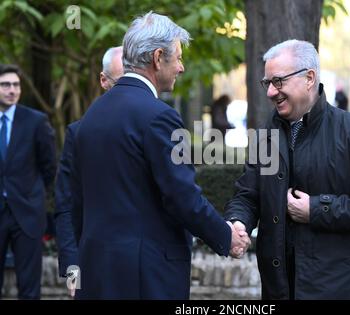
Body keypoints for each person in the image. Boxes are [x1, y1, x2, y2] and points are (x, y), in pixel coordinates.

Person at [70, 11, 250, 299]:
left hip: (97, 272)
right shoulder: (159, 117)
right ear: (157, 58)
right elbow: (182, 196)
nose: (181, 67)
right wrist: (225, 236)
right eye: (177, 57)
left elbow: (78, 200)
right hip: (144, 277)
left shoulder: (92, 114)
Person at [225, 40, 350, 299]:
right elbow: (248, 196)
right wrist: (239, 222)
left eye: (278, 81)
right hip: (279, 289)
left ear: (309, 78)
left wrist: (316, 209)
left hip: (339, 290)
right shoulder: (264, 137)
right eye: (267, 83)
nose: (271, 92)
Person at [53, 46, 124, 297]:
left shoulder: (156, 127)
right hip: (94, 268)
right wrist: (73, 269)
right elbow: (67, 206)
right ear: (104, 81)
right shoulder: (79, 133)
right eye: (121, 81)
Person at [0, 64, 56, 299]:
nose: (12, 90)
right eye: (5, 85)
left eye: (16, 85)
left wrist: (33, 196)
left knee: (29, 287)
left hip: (27, 214)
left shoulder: (36, 121)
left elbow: (49, 167)